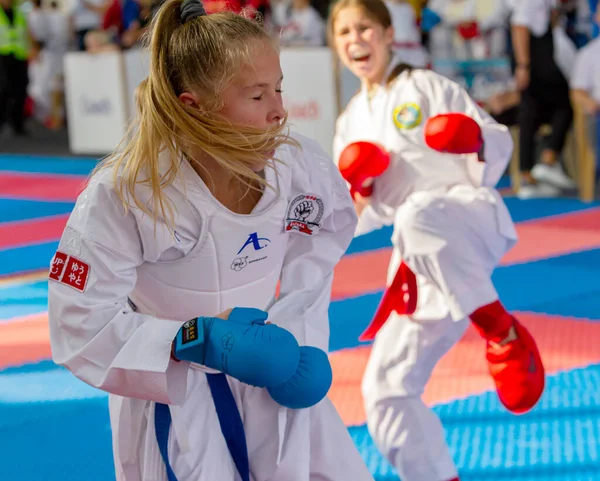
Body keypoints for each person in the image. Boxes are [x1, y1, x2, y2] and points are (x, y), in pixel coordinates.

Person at [47, 1, 375, 481]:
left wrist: (301, 335)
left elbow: (321, 242)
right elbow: (77, 321)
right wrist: (193, 341)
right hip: (176, 400)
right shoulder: (130, 192)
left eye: (279, 89)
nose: (280, 111)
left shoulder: (297, 166)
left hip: (271, 371)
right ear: (193, 106)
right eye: (258, 96)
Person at [328, 0, 546, 480]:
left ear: (388, 35)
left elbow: (494, 147)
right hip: (418, 257)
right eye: (344, 32)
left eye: (365, 28)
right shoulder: (349, 122)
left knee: (417, 212)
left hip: (463, 219)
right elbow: (356, 218)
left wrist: (473, 139)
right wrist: (359, 194)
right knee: (385, 393)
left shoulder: (426, 86)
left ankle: (501, 331)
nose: (355, 39)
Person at [0, 0, 30, 137]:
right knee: (3, 89)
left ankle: (17, 122)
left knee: (21, 89)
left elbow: (26, 33)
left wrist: (32, 48)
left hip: (19, 55)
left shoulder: (19, 12)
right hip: (3, 55)